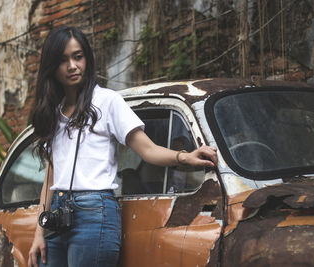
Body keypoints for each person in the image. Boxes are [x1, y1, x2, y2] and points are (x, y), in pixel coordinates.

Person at [28, 26, 217, 267]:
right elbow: (51, 176)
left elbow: (147, 149)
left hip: (93, 213)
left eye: (78, 56)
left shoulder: (107, 101)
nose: (73, 66)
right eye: (63, 60)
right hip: (56, 216)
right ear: (52, 67)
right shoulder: (53, 113)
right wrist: (38, 232)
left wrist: (185, 157)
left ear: (87, 58)